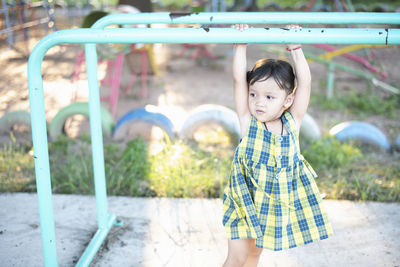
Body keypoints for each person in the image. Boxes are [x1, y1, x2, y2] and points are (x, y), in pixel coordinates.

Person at [222, 24, 333, 267]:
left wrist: (295, 47)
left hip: (271, 206)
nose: (258, 102)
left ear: (288, 100)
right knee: (237, 257)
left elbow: (305, 84)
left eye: (270, 97)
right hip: (243, 199)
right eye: (254, 94)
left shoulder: (293, 123)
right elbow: (238, 80)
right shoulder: (247, 122)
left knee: (254, 255)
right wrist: (241, 43)